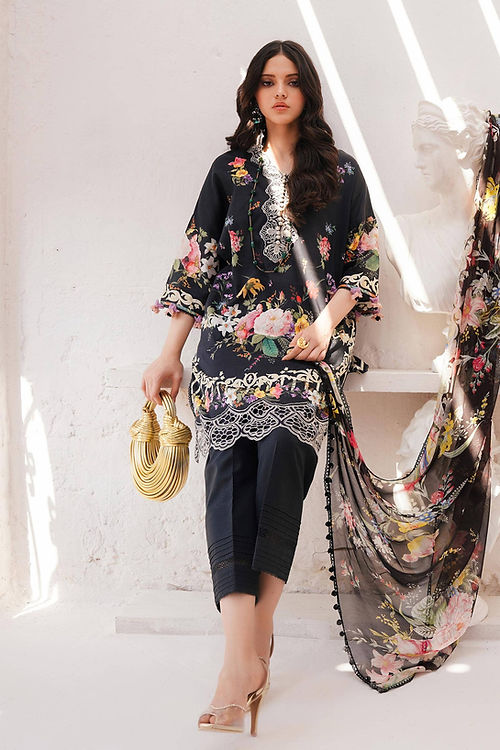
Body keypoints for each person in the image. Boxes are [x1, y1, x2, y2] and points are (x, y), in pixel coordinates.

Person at [142, 39, 380, 734]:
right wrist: (169, 354)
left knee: (280, 459)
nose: (280, 92)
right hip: (227, 350)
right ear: (252, 93)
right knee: (228, 476)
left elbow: (363, 263)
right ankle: (239, 659)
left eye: (292, 81)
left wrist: (328, 324)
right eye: (268, 81)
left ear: (308, 92)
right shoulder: (229, 173)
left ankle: (250, 645)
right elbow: (197, 264)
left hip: (306, 348)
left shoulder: (340, 173)